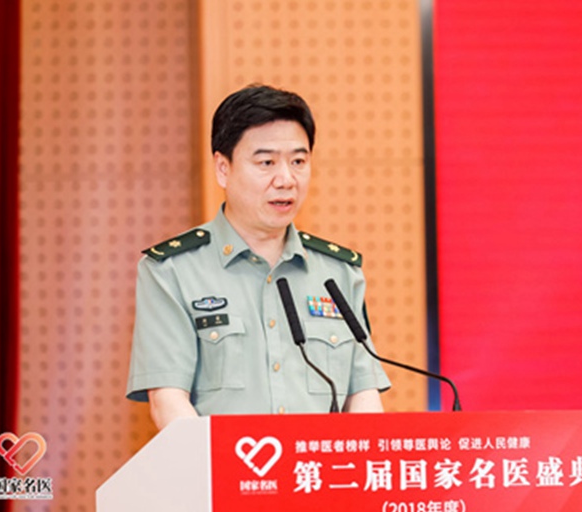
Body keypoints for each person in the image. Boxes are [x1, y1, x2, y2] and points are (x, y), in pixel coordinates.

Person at [126, 85, 391, 430]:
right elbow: (168, 401)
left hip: (317, 464)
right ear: (223, 168)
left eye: (298, 162)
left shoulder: (339, 273)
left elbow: (363, 396)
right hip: (221, 465)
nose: (286, 180)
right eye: (266, 163)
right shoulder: (171, 270)